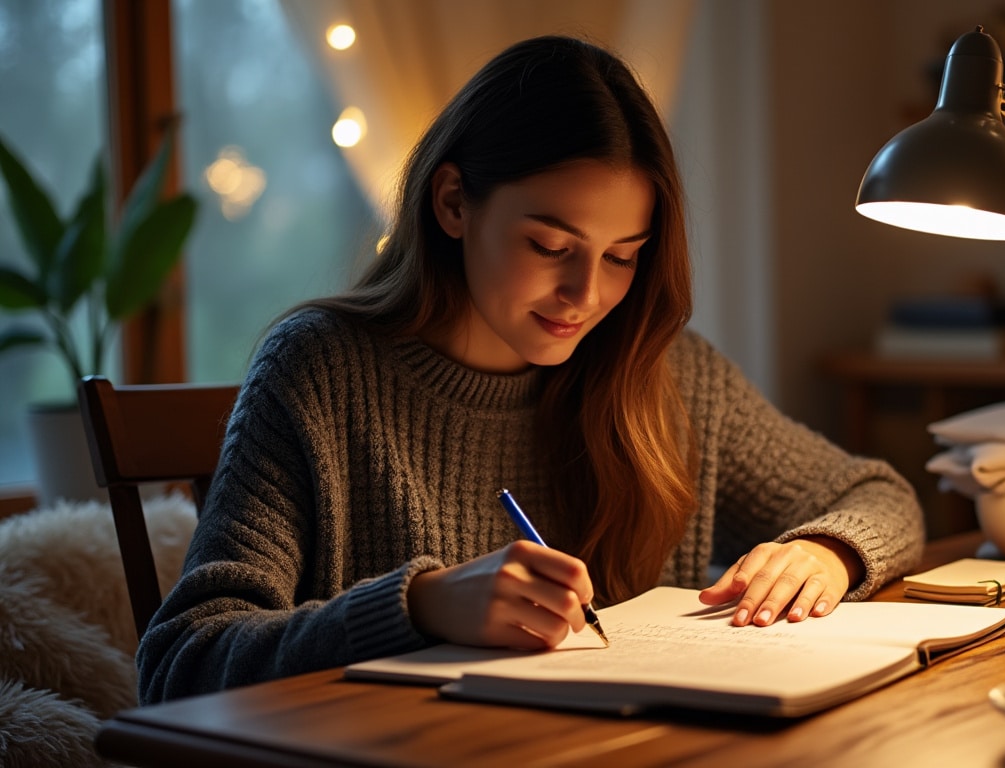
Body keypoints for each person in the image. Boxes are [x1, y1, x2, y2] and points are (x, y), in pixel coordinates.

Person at [137, 34, 924, 704]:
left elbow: (878, 494)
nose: (587, 295)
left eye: (622, 256)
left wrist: (828, 551)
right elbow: (182, 663)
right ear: (453, 203)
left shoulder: (664, 375)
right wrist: (422, 605)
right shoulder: (320, 370)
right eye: (551, 247)